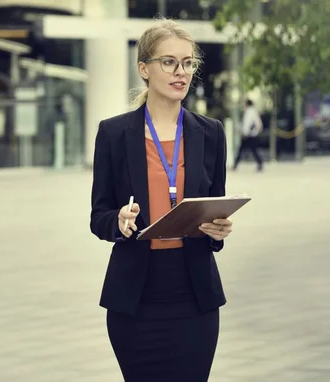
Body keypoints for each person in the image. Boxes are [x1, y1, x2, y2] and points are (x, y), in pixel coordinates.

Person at [90, 18, 233, 381]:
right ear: (144, 69)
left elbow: (213, 205)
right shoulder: (114, 134)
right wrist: (119, 221)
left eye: (187, 63)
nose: (180, 71)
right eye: (169, 62)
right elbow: (99, 215)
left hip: (194, 297)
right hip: (135, 298)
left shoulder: (211, 133)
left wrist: (218, 229)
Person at [233, 99, 263, 171]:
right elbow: (258, 124)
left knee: (243, 149)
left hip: (249, 135)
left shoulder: (250, 112)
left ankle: (235, 164)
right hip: (251, 134)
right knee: (252, 149)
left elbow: (248, 124)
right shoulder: (253, 111)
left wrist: (245, 133)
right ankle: (259, 163)